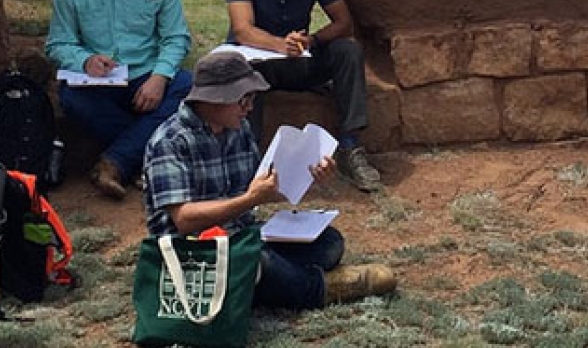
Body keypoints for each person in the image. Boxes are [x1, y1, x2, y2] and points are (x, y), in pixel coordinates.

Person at [141, 50, 397, 309]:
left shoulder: (238, 130)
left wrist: (308, 177)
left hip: (243, 236)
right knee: (257, 262)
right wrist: (248, 200)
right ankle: (320, 289)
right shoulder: (171, 142)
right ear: (215, 99)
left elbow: (263, 189)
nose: (249, 108)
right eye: (244, 100)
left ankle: (267, 284)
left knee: (329, 243)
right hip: (195, 250)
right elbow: (183, 220)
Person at [46, 0, 193, 199]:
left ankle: (115, 161)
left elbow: (176, 37)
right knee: (72, 99)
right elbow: (57, 43)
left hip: (146, 75)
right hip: (100, 81)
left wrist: (159, 77)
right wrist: (85, 60)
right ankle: (144, 158)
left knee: (187, 84)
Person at [222, 0, 382, 191]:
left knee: (348, 51)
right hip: (260, 64)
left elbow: (343, 22)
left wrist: (312, 40)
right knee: (241, 69)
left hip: (299, 59)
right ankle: (249, 155)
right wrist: (279, 45)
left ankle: (350, 145)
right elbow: (242, 30)